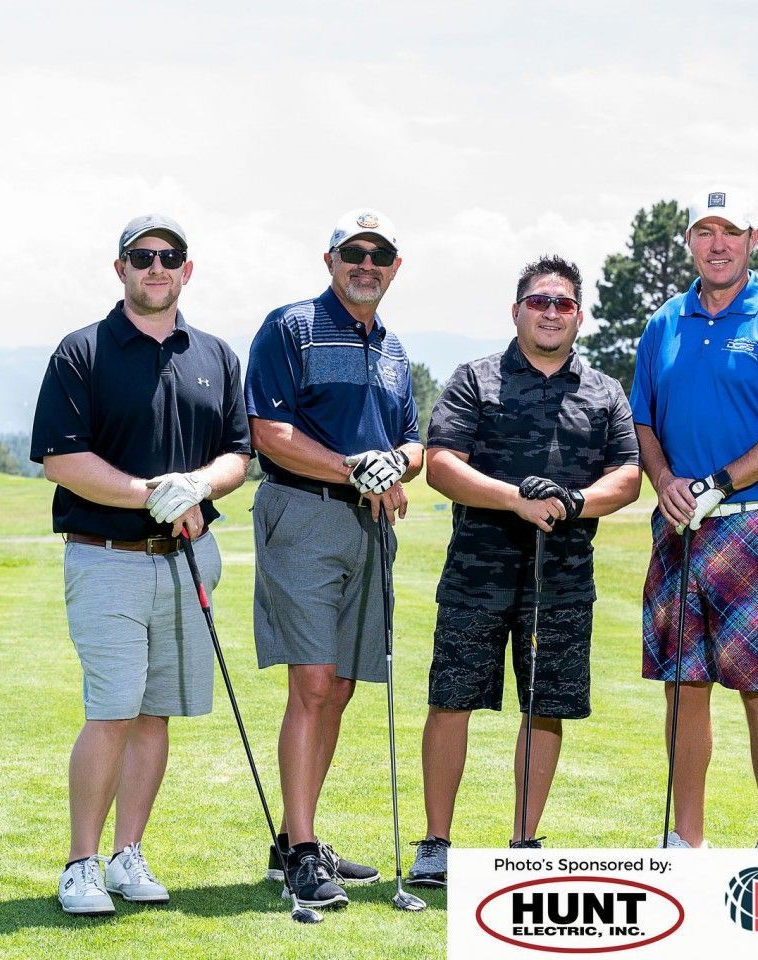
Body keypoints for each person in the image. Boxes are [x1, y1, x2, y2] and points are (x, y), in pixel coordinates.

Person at [31, 215, 251, 915]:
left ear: (187, 270)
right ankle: (80, 864)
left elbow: (237, 455)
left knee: (156, 713)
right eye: (141, 256)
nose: (155, 267)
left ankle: (128, 854)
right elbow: (61, 460)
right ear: (120, 268)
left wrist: (201, 486)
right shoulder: (83, 352)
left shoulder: (214, 353)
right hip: (107, 559)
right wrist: (152, 496)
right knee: (112, 709)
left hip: (188, 560)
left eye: (169, 257)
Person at [406, 255, 642, 888]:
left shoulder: (604, 391)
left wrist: (573, 502)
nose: (550, 312)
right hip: (476, 574)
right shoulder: (474, 380)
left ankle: (523, 840)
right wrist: (515, 498)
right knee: (451, 700)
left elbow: (627, 476)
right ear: (516, 311)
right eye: (539, 301)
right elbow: (442, 464)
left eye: (563, 304)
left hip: (562, 580)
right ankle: (436, 844)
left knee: (545, 708)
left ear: (579, 317)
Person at [630, 187, 758, 850]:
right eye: (704, 232)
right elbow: (644, 421)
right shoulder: (664, 323)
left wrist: (719, 481)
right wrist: (662, 481)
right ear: (688, 241)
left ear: (751, 239)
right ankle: (686, 841)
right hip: (679, 523)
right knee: (682, 687)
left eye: (730, 233)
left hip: (755, 521)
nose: (717, 245)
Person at [244, 208, 424, 911]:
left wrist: (395, 467)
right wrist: (355, 468)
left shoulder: (394, 348)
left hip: (371, 523)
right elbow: (270, 431)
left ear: (394, 268)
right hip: (305, 515)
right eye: (353, 251)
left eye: (379, 254)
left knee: (344, 685)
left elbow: (414, 441)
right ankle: (298, 854)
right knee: (313, 683)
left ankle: (297, 836)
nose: (366, 263)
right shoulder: (290, 327)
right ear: (329, 260)